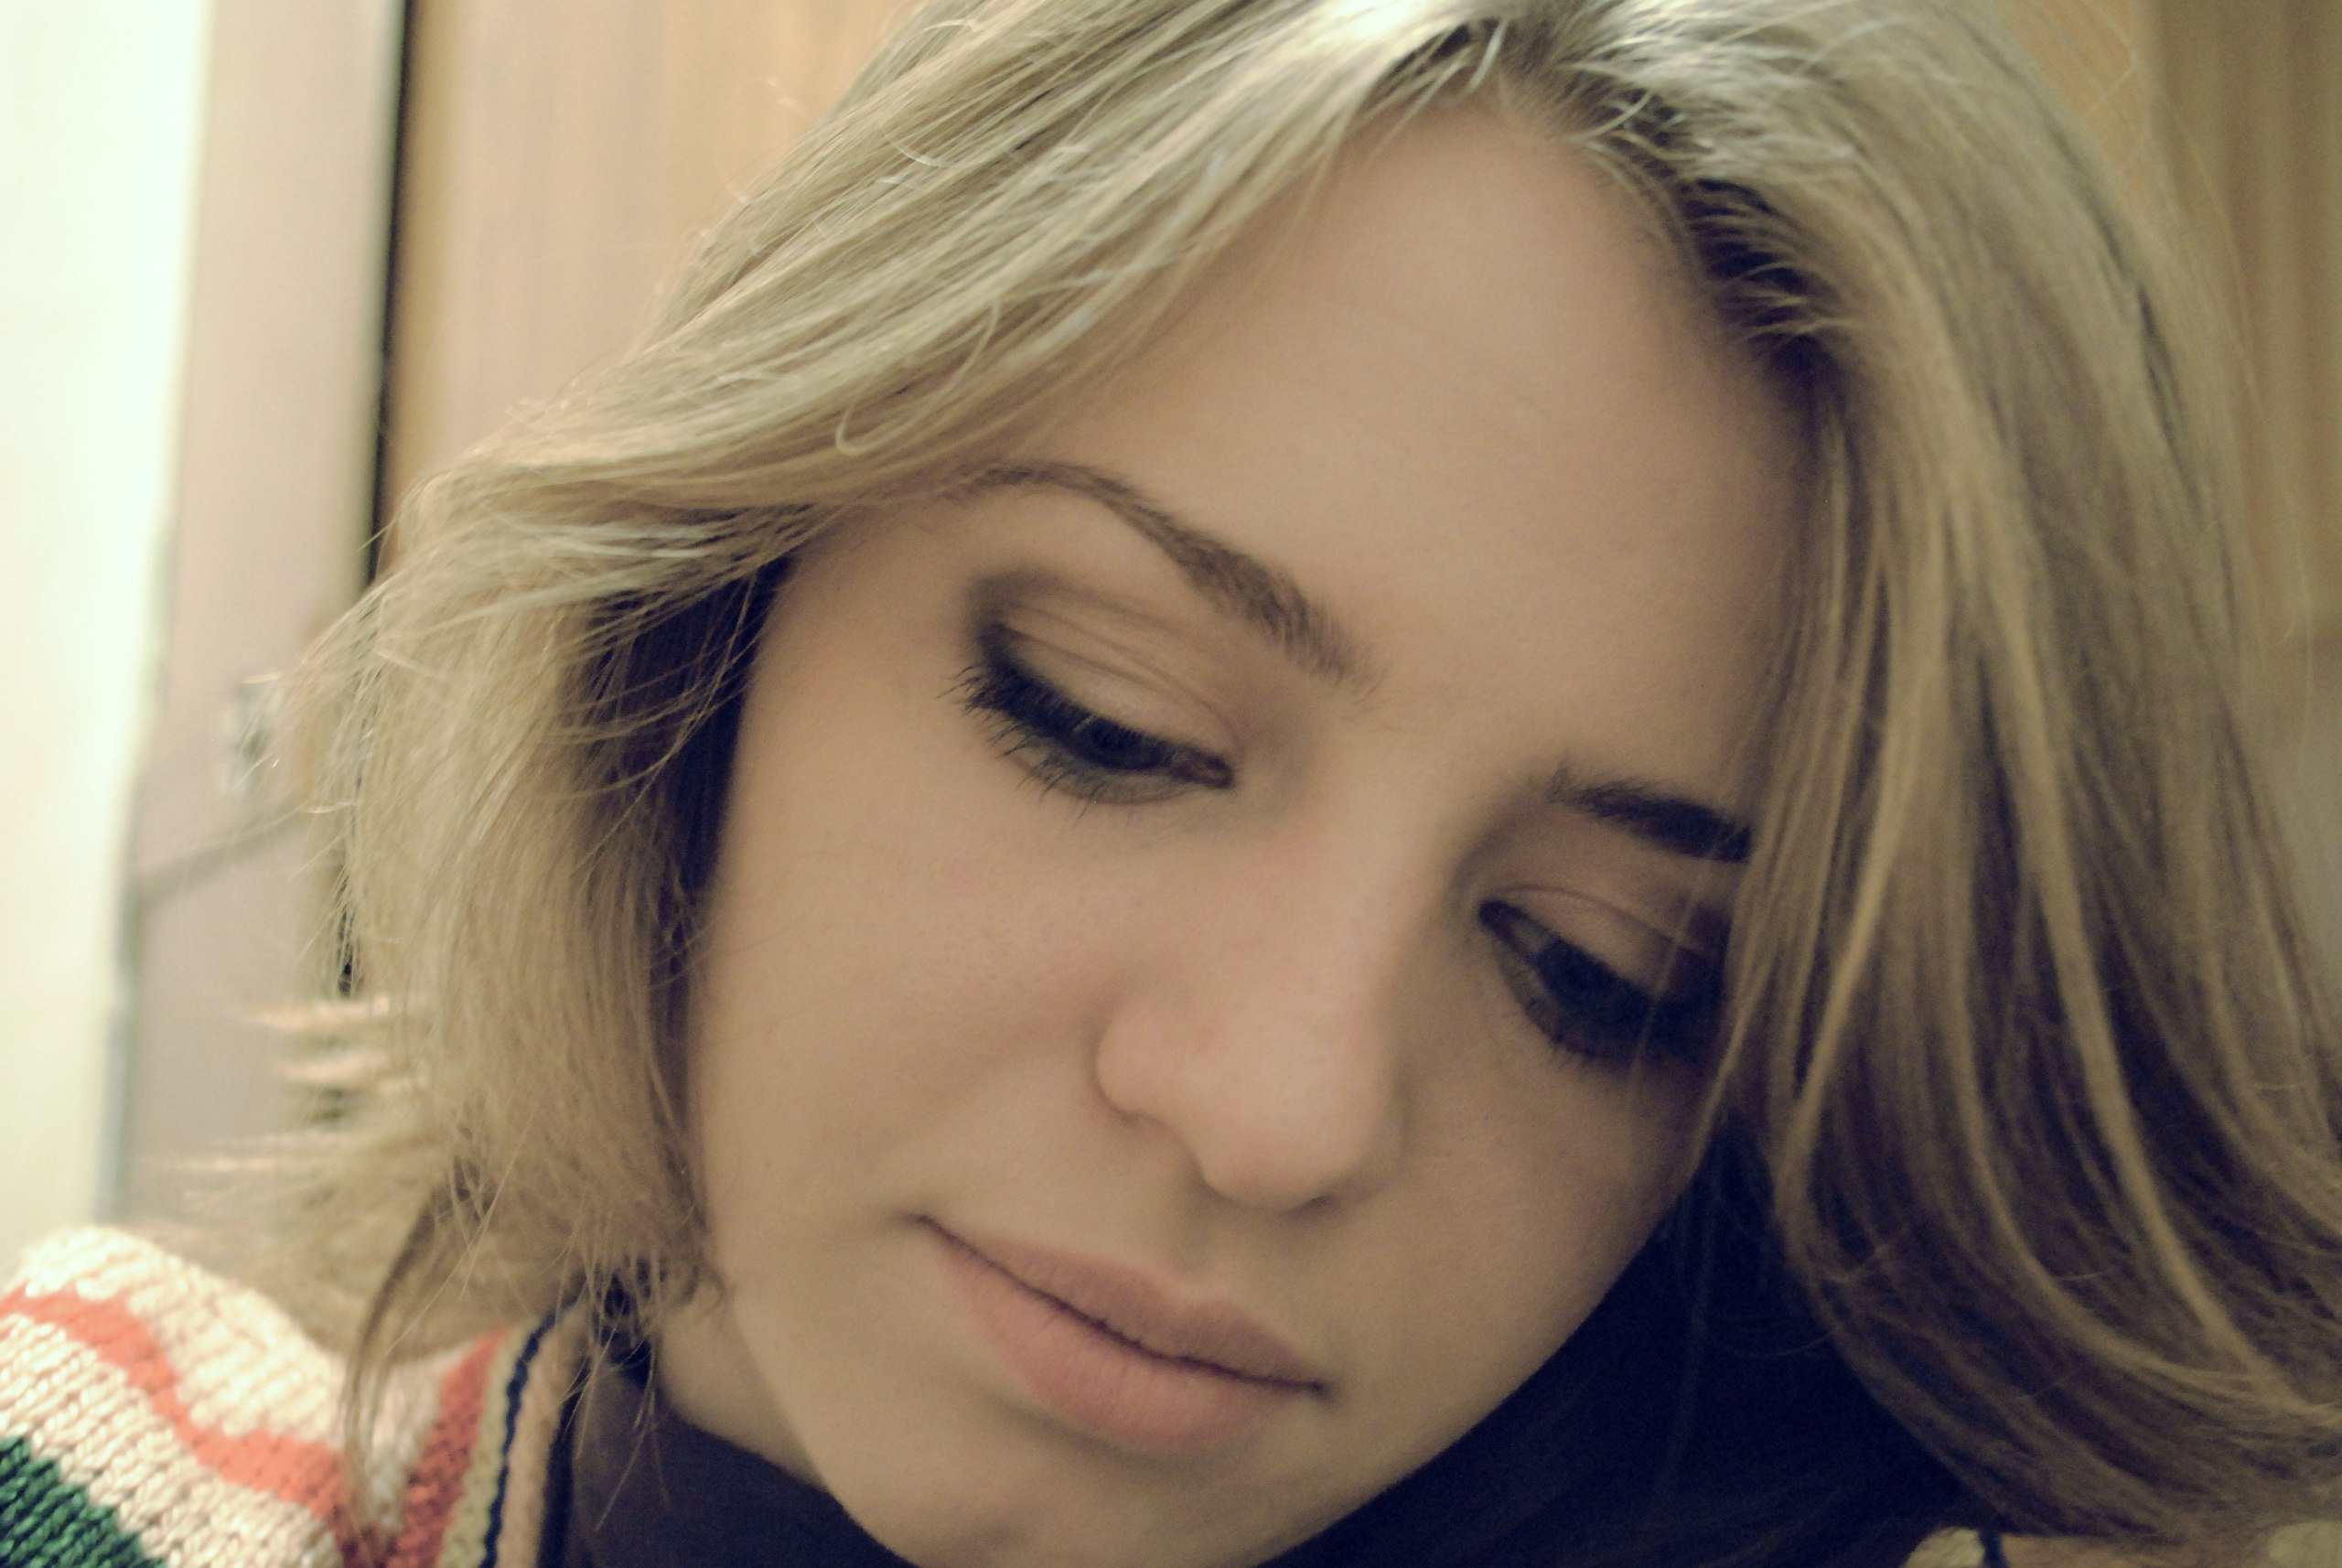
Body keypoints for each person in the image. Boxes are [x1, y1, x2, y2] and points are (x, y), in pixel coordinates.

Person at [4, 1, 2337, 1565]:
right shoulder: (88, 1472)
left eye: (1601, 969)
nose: (1278, 1107)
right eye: (1100, 717)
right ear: (711, 625)